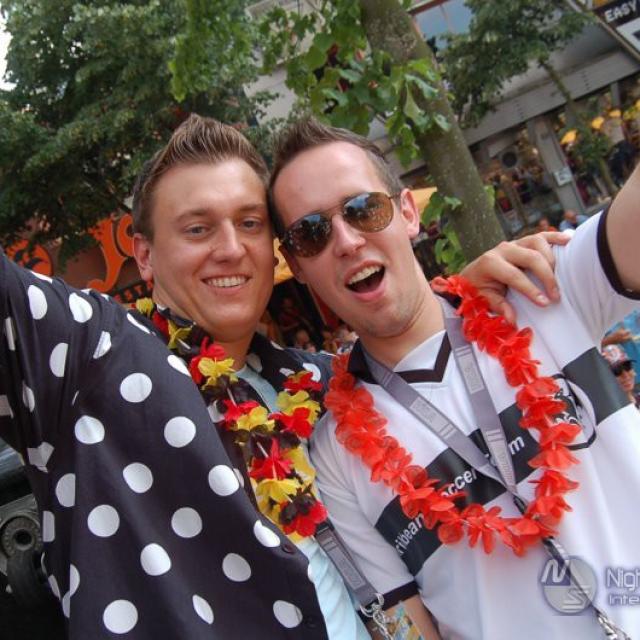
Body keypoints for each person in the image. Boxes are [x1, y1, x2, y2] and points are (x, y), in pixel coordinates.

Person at [0, 114, 565, 640]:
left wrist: (461, 299)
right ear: (144, 256)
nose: (230, 249)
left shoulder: (325, 383)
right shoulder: (94, 357)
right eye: (197, 229)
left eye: (249, 223)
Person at [269, 117, 640, 639]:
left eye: (363, 209)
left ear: (407, 212)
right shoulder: (334, 454)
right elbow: (407, 627)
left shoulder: (538, 286)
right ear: (297, 264)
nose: (347, 240)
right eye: (312, 233)